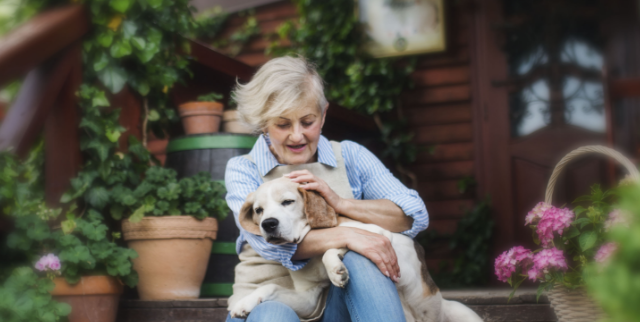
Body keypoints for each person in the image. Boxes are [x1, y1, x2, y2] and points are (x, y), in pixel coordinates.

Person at [224, 56, 429, 322]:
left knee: (361, 259)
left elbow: (412, 215)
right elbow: (270, 245)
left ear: (323, 115)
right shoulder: (243, 169)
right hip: (262, 303)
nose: (297, 136)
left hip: (336, 303)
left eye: (307, 122)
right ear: (264, 123)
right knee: (273, 316)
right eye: (283, 124)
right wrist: (349, 235)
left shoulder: (351, 156)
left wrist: (341, 204)